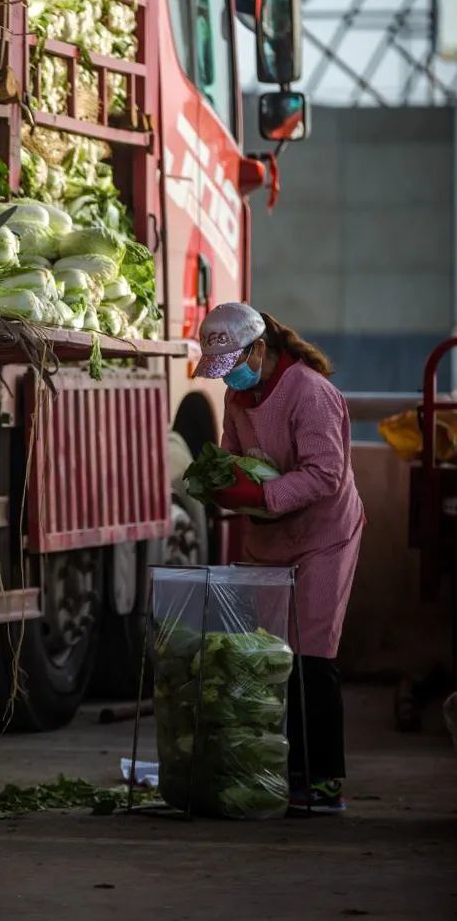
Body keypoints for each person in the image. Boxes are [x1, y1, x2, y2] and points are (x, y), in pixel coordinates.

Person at [194, 301, 364, 814]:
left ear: (260, 349)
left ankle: (322, 781)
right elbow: (228, 452)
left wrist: (263, 497)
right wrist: (223, 485)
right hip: (269, 538)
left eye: (235, 367)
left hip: (323, 536)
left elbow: (326, 473)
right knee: (267, 657)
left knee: (312, 655)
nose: (231, 381)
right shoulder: (237, 394)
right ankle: (275, 770)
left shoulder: (311, 394)